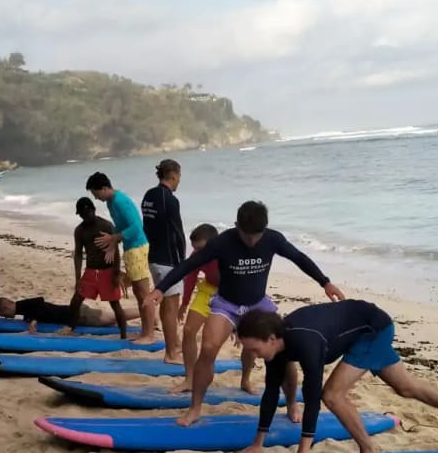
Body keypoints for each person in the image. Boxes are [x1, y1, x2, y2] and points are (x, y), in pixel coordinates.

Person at [145, 200, 345, 425]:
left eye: (256, 236)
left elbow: (299, 258)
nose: (251, 241)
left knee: (284, 352)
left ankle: (291, 404)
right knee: (208, 348)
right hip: (227, 304)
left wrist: (325, 282)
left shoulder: (272, 239)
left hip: (258, 304)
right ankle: (195, 408)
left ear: (264, 228)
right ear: (236, 225)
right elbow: (188, 265)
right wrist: (160, 289)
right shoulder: (222, 242)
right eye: (246, 236)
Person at [237, 300, 438, 453]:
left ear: (271, 339)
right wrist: (258, 443)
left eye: (254, 349)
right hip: (359, 329)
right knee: (405, 387)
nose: (253, 355)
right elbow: (271, 392)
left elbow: (312, 398)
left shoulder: (306, 342)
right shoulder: (276, 349)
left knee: (332, 395)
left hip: (372, 330)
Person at [85, 171, 155, 342]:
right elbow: (120, 226)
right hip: (130, 248)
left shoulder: (120, 201)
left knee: (144, 293)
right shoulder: (111, 203)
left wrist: (114, 237)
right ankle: (145, 331)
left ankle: (149, 334)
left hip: (138, 247)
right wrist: (112, 243)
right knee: (137, 292)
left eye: (96, 193)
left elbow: (136, 227)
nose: (95, 198)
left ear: (104, 188)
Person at [141, 159, 185, 363]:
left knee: (167, 304)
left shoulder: (148, 195)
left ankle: (175, 345)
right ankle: (171, 353)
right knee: (170, 308)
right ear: (173, 175)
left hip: (154, 256)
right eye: (179, 177)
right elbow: (178, 232)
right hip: (168, 260)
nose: (179, 181)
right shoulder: (170, 200)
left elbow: (147, 227)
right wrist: (183, 261)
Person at [70, 197, 127, 337]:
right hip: (90, 271)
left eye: (87, 213)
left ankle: (123, 335)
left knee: (115, 304)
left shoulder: (106, 225)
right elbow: (78, 254)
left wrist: (116, 273)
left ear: (93, 210)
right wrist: (77, 278)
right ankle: (71, 330)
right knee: (75, 302)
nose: (85, 217)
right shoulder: (79, 230)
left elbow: (116, 251)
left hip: (108, 271)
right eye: (82, 215)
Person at [178, 223, 220, 391]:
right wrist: (184, 303)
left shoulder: (227, 252)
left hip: (228, 295)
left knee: (210, 340)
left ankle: (245, 379)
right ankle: (189, 378)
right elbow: (190, 278)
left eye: (201, 248)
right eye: (195, 248)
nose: (198, 252)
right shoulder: (198, 254)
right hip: (206, 291)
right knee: (188, 330)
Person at [0, 295, 138, 329]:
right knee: (111, 321)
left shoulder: (22, 305)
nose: (7, 317)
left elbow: (39, 301)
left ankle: (144, 312)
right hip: (75, 316)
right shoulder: (23, 311)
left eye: (4, 315)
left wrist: (34, 320)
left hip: (77, 314)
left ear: (6, 308)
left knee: (113, 318)